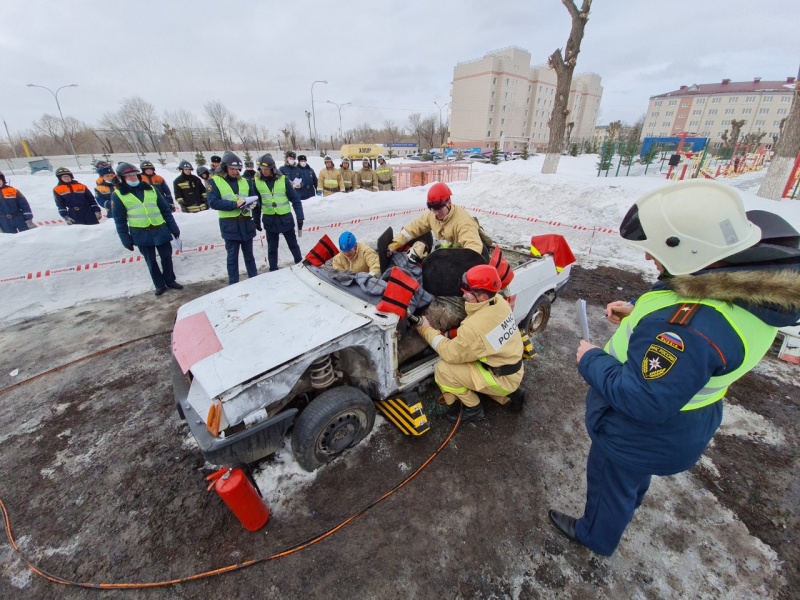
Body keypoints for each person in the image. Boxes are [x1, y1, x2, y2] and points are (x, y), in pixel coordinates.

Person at [548, 180, 800, 557]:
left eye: (655, 252)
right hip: (679, 423)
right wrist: (640, 315)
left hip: (639, 431)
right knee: (630, 483)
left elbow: (643, 397)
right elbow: (705, 313)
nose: (650, 260)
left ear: (695, 250)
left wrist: (591, 358)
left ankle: (594, 536)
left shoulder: (686, 329)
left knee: (610, 481)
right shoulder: (744, 285)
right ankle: (621, 509)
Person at [414, 264, 526, 423]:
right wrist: (452, 334)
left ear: (483, 297)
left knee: (443, 370)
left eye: (468, 291)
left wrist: (426, 330)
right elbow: (479, 334)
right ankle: (505, 395)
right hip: (512, 368)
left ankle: (472, 409)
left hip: (501, 378)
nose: (463, 294)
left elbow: (449, 353)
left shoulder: (474, 329)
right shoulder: (499, 301)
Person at [112, 162, 182, 296]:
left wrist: (173, 228)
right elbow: (119, 220)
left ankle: (170, 280)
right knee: (151, 260)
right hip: (141, 232)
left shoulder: (151, 190)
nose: (133, 178)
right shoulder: (118, 195)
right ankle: (159, 285)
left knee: (166, 256)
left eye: (135, 175)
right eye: (129, 176)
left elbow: (165, 211)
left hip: (160, 229)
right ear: (122, 178)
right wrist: (125, 238)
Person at [206, 151, 260, 284]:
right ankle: (233, 283)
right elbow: (213, 202)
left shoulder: (246, 181)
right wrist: (235, 204)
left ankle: (254, 280)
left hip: (246, 223)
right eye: (232, 169)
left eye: (237, 169)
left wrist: (254, 205)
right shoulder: (214, 181)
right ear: (224, 167)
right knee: (232, 257)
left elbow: (254, 197)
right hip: (230, 225)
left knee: (249, 256)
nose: (235, 172)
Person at [387, 182, 484, 255]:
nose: (437, 213)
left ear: (449, 203)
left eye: (440, 209)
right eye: (433, 209)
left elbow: (473, 250)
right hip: (446, 255)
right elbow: (414, 228)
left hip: (459, 258)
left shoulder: (463, 222)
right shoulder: (432, 215)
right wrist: (396, 243)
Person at [254, 153, 304, 272]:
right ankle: (273, 270)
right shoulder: (256, 181)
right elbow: (256, 203)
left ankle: (300, 266)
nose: (264, 171)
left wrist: (300, 216)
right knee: (272, 248)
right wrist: (256, 220)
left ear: (272, 168)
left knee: (293, 245)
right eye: (262, 169)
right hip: (270, 220)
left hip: (285, 219)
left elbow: (295, 199)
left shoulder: (283, 180)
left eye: (266, 169)